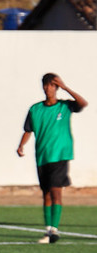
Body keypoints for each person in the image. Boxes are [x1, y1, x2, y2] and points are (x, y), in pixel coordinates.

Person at [17, 73, 87, 244]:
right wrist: (21, 145)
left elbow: (83, 103)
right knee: (46, 194)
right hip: (43, 156)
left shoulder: (65, 106)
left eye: (52, 85)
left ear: (56, 87)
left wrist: (65, 87)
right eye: (47, 85)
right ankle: (48, 230)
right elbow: (29, 129)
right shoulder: (35, 109)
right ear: (43, 87)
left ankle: (55, 230)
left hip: (60, 155)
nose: (49, 88)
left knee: (56, 191)